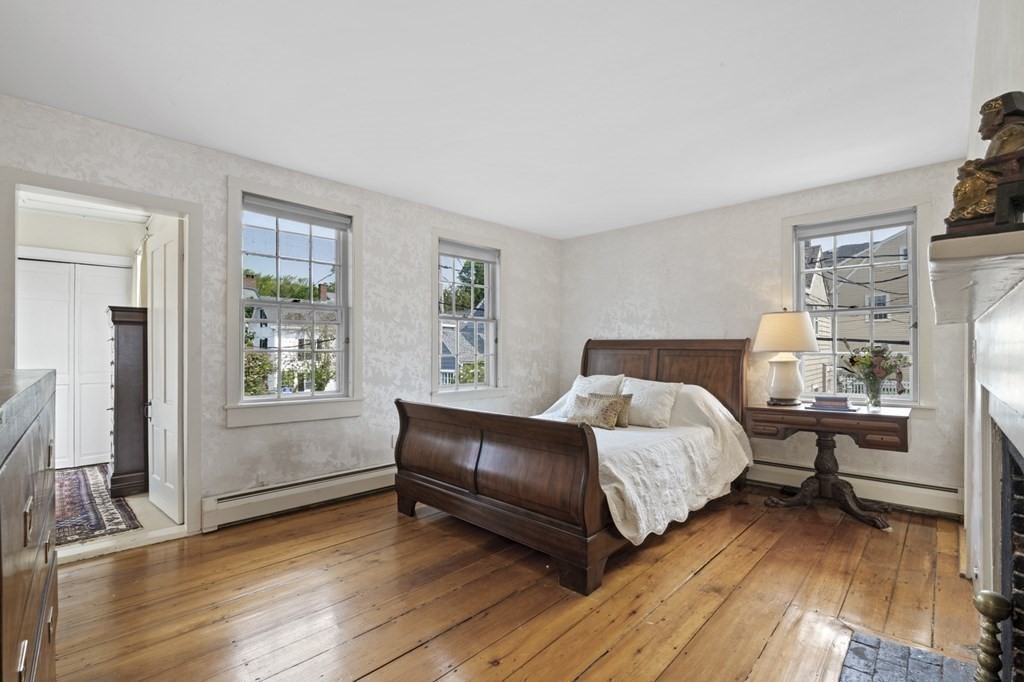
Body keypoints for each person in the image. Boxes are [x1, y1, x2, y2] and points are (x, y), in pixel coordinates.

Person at [947, 91, 1024, 224]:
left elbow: (998, 165)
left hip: (1005, 179)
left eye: (983, 120)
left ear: (998, 115)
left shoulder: (1012, 131)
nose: (980, 128)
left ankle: (974, 217)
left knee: (969, 185)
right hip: (1003, 176)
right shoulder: (1010, 131)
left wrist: (973, 169)